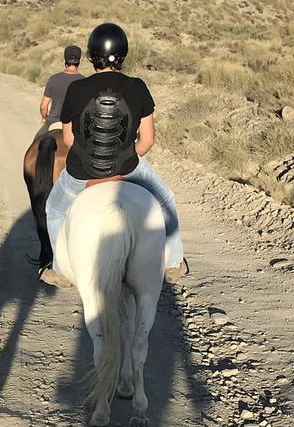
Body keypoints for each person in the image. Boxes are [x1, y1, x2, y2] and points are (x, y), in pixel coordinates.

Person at [42, 22, 186, 280]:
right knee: (166, 199)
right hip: (128, 168)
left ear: (91, 55)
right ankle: (174, 262)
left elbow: (68, 139)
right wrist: (124, 157)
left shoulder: (77, 89)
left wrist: (90, 157)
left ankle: (60, 270)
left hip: (81, 172)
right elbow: (148, 140)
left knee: (54, 209)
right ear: (123, 55)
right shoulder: (138, 87)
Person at [40, 44, 82, 131]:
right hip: (74, 125)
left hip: (53, 122)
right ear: (79, 61)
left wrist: (44, 118)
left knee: (38, 138)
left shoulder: (53, 79)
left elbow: (43, 107)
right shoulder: (84, 81)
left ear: (65, 60)